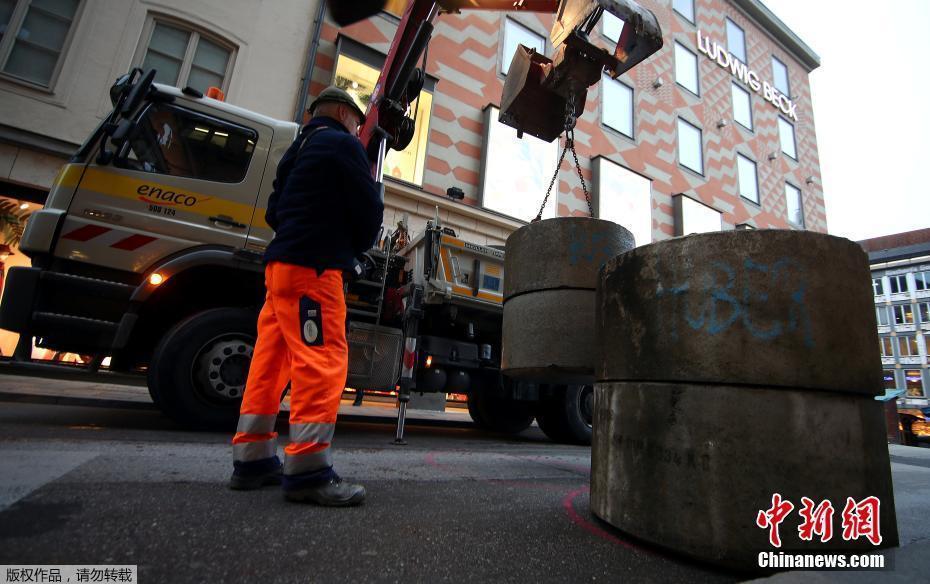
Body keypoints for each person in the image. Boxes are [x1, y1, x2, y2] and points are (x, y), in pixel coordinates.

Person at [228, 86, 383, 506]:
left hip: (281, 268)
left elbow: (274, 210)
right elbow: (369, 212)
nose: (358, 127)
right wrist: (353, 245)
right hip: (316, 270)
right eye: (356, 119)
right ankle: (309, 471)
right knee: (321, 361)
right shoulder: (344, 145)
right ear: (341, 113)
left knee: (270, 362)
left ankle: (253, 459)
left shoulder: (299, 149)